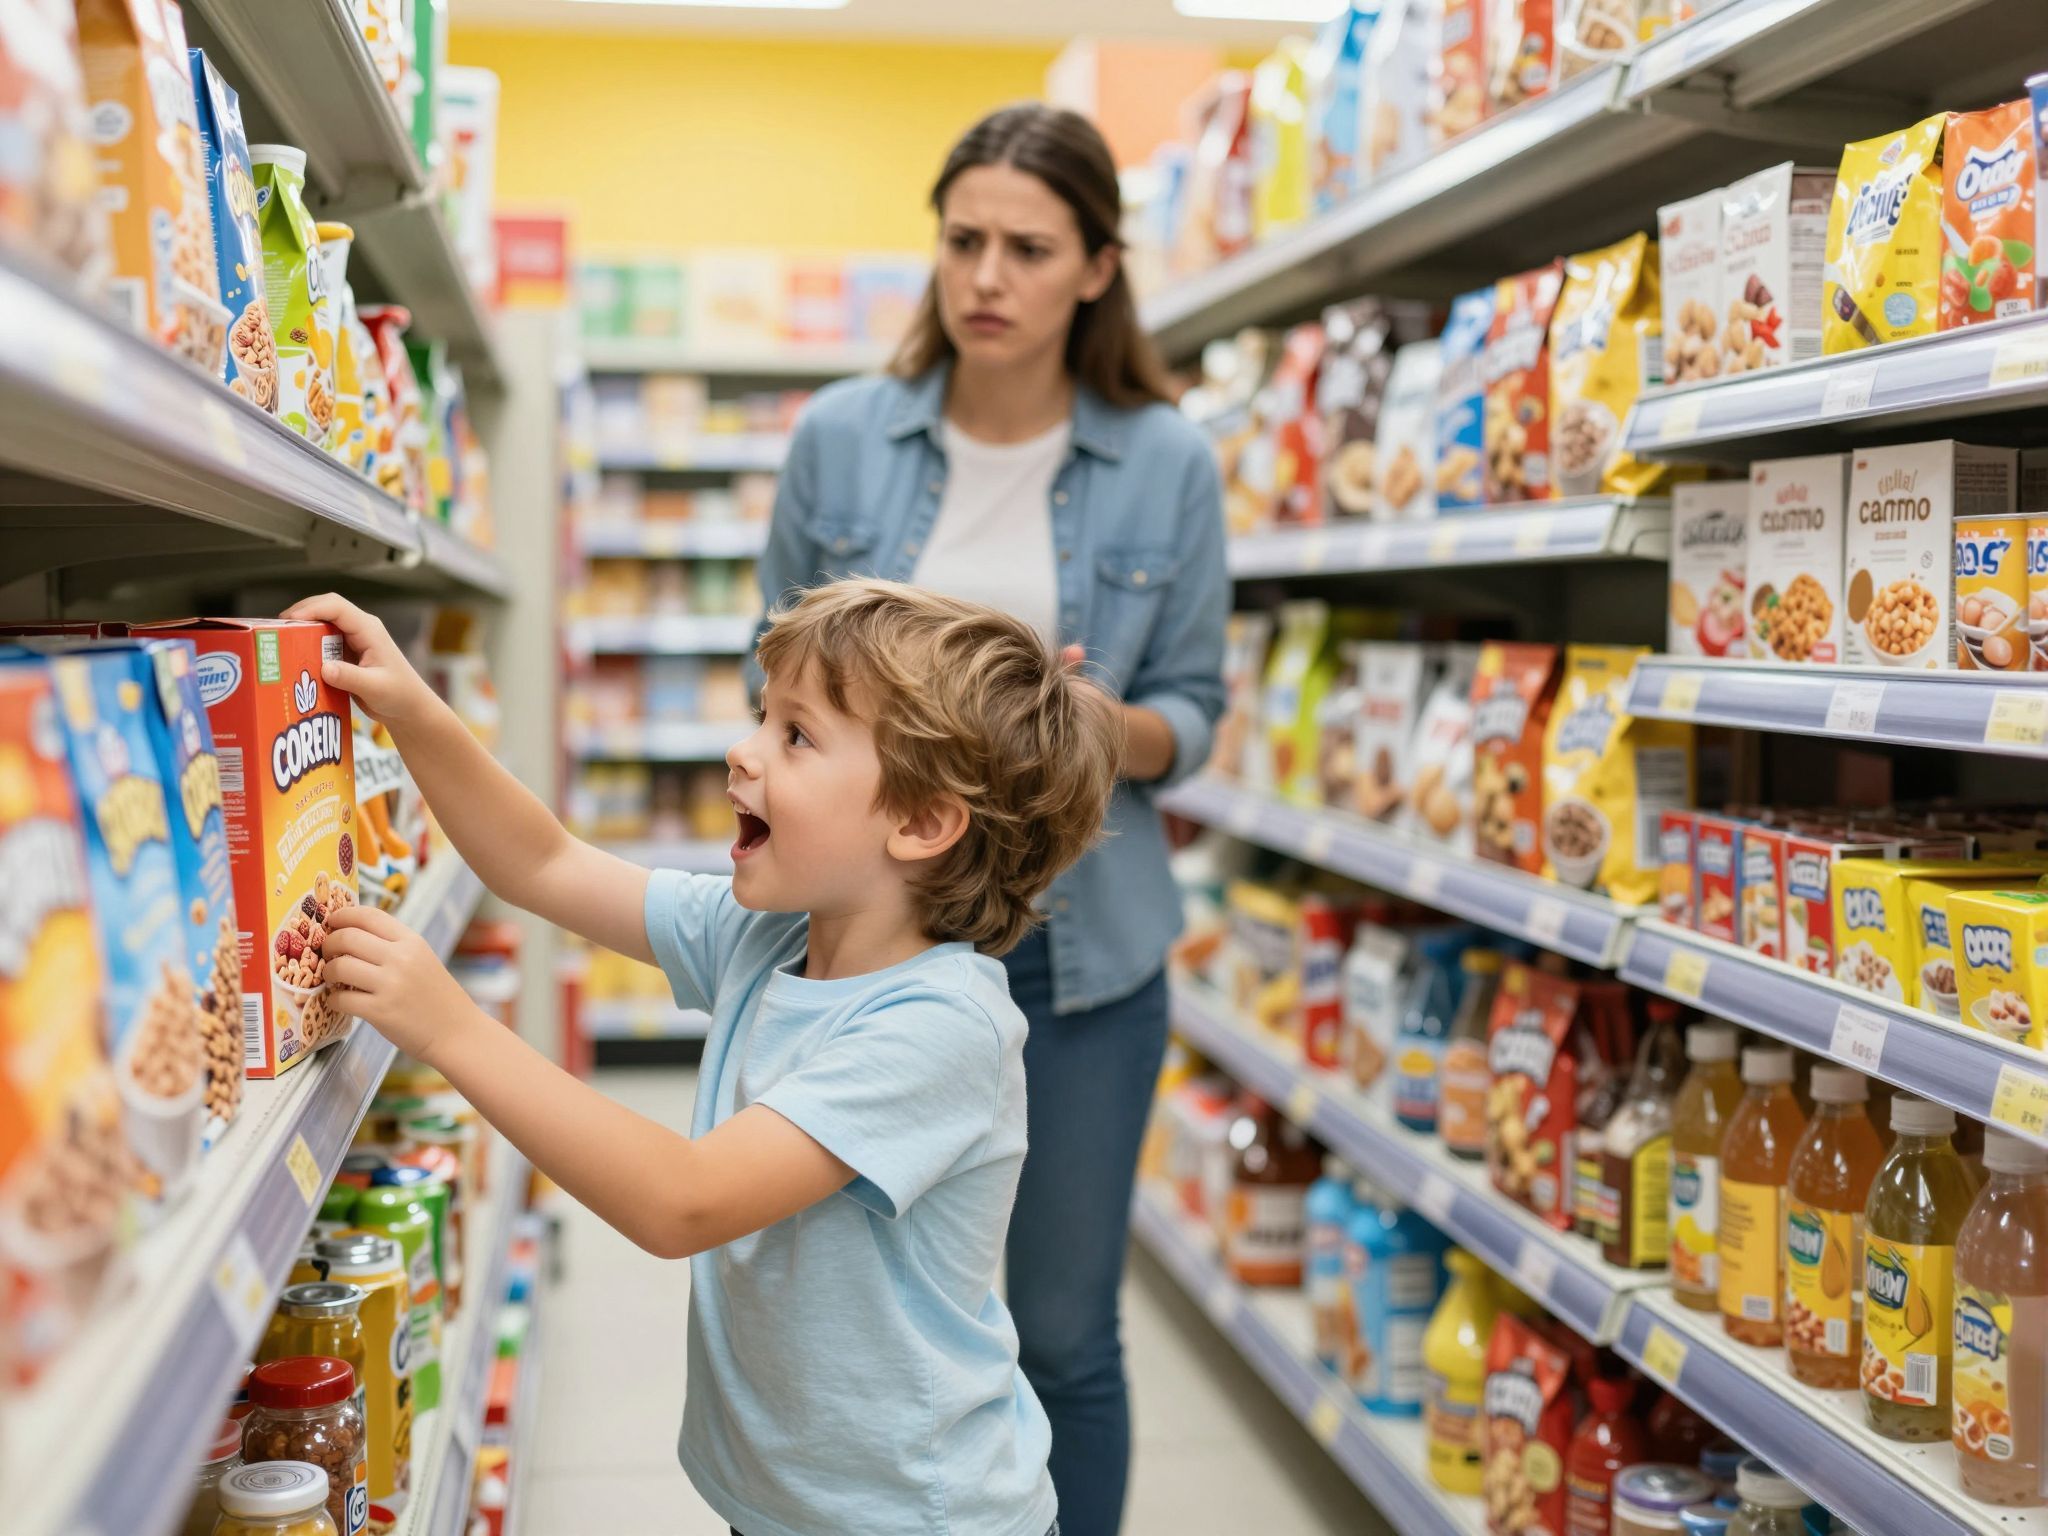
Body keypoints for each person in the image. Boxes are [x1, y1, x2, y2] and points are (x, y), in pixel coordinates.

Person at [287, 579, 1123, 1536]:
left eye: (796, 736)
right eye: (762, 716)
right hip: (785, 1505)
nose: (744, 749)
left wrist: (450, 1028)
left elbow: (682, 1200)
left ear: (923, 823)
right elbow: (544, 864)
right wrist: (409, 709)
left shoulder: (939, 1028)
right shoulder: (767, 937)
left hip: (916, 1516)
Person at [754, 104, 1228, 1535]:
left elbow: (1194, 716)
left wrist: (1101, 730)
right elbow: (768, 671)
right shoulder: (842, 440)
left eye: (1029, 247)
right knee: (858, 1336)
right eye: (964, 239)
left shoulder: (1167, 462)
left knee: (1065, 1333)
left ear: (1096, 268)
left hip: (1083, 968)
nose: (987, 276)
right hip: (875, 948)